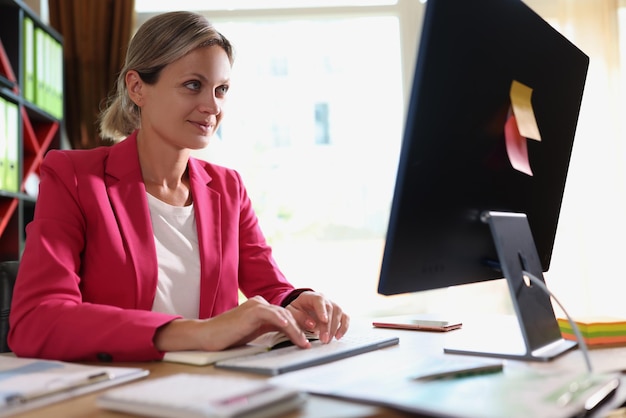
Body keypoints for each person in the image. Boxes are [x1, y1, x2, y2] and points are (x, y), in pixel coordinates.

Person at [8, 11, 349, 362]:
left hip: (212, 388)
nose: (212, 106)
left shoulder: (228, 187)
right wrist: (199, 333)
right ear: (137, 87)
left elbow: (270, 287)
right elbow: (36, 320)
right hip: (119, 390)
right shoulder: (74, 177)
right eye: (193, 85)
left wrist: (296, 301)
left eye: (222, 90)